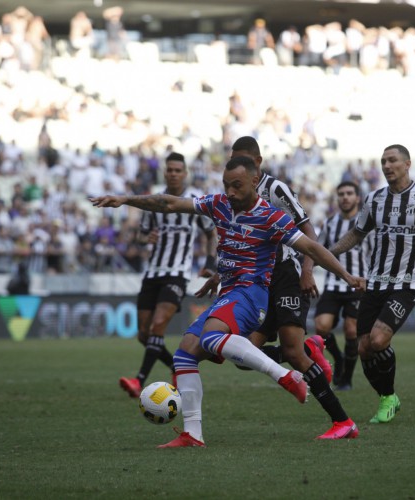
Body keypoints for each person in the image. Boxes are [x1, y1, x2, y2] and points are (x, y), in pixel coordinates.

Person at [90, 155, 365, 447]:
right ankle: (192, 434)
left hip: (252, 294)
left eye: (237, 186)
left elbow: (312, 246)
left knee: (211, 339)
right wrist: (124, 199)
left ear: (255, 182)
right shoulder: (219, 204)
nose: (230, 192)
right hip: (229, 293)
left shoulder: (271, 217)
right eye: (226, 185)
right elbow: (169, 203)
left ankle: (286, 376)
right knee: (184, 355)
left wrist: (347, 276)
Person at [197, 136, 358, 439]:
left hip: (285, 274)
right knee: (244, 356)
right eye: (234, 161)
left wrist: (307, 271)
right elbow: (239, 244)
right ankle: (308, 348)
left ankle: (342, 422)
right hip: (255, 280)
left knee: (295, 354)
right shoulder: (232, 198)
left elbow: (307, 230)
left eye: (244, 161)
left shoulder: (276, 189)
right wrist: (220, 276)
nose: (238, 170)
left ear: (257, 164)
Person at [329, 144, 415, 424]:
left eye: (392, 160)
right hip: (375, 282)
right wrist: (327, 253)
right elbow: (356, 234)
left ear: (407, 163)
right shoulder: (374, 200)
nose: (387, 166)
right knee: (363, 348)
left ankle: (387, 397)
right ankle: (388, 397)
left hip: (406, 283)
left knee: (377, 340)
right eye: (383, 161)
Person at [118, 152, 217, 399]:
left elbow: (210, 233)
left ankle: (139, 380)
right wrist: (145, 238)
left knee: (158, 325)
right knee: (144, 334)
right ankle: (176, 368)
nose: (173, 173)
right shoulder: (154, 201)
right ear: (165, 172)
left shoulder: (195, 200)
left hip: (178, 273)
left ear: (185, 174)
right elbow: (141, 235)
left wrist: (210, 262)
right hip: (153, 271)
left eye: (177, 170)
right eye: (169, 170)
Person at [314, 181, 368, 391]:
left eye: (349, 193)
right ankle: (339, 358)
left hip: (357, 285)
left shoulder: (366, 225)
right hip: (334, 284)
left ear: (357, 198)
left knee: (351, 331)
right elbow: (318, 249)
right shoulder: (330, 223)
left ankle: (346, 378)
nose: (345, 197)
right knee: (321, 327)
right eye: (341, 194)